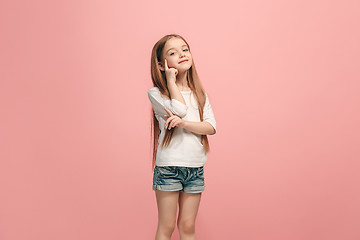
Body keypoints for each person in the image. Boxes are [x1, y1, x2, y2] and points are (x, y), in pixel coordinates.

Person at [148, 34, 217, 240]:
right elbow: (179, 108)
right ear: (162, 65)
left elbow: (211, 127)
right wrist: (171, 80)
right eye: (173, 52)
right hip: (169, 167)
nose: (181, 54)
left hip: (195, 168)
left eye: (184, 49)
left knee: (187, 226)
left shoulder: (200, 93)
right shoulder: (157, 93)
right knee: (167, 226)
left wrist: (184, 124)